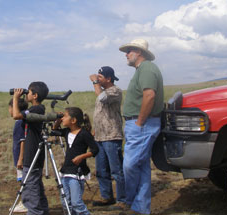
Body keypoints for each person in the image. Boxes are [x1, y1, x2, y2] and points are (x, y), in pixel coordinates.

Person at [118, 38, 164, 215]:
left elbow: (149, 96)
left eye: (129, 51)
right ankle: (141, 209)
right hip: (140, 124)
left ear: (139, 53)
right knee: (142, 166)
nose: (126, 54)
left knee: (129, 165)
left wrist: (139, 123)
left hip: (141, 124)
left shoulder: (146, 68)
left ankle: (131, 202)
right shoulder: (143, 70)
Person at [89, 66, 126, 209]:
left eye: (100, 77)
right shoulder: (103, 92)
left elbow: (101, 98)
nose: (97, 79)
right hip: (100, 136)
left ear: (108, 79)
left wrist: (94, 82)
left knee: (116, 170)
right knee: (101, 170)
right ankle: (107, 197)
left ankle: (122, 200)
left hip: (111, 136)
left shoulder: (115, 91)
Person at [53, 107, 99, 215]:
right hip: (65, 171)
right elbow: (54, 131)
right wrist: (58, 120)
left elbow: (95, 150)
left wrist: (81, 157)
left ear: (73, 120)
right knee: (65, 203)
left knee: (76, 203)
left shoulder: (84, 134)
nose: (63, 118)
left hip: (77, 172)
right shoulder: (66, 132)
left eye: (65, 116)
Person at [12, 81, 49, 215]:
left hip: (33, 152)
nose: (26, 94)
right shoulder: (36, 109)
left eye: (29, 92)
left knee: (30, 187)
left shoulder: (37, 109)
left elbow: (16, 115)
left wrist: (15, 98)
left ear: (35, 95)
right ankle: (43, 211)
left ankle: (34, 212)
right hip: (33, 151)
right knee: (36, 186)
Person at [8, 98, 28, 213]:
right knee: (23, 180)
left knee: (24, 181)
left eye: (10, 107)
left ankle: (25, 202)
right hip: (19, 157)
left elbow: (22, 141)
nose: (9, 110)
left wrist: (20, 159)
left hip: (22, 159)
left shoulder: (20, 122)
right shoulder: (20, 121)